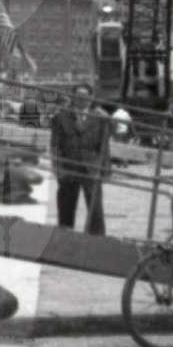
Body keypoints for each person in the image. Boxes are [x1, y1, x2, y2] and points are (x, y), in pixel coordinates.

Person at [49, 82, 112, 236]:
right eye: (78, 96)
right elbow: (55, 145)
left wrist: (105, 169)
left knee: (95, 210)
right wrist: (57, 168)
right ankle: (65, 238)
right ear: (73, 97)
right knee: (66, 208)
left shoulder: (100, 118)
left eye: (85, 96)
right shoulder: (61, 117)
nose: (82, 100)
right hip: (69, 168)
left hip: (91, 168)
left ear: (91, 98)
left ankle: (97, 240)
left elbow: (104, 146)